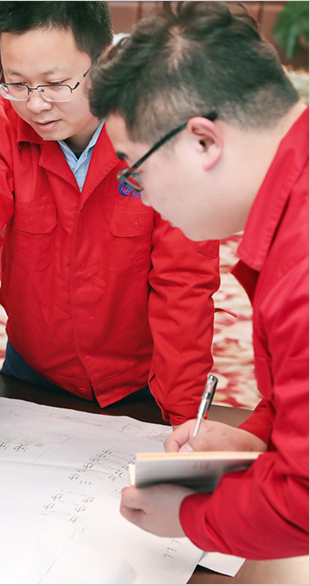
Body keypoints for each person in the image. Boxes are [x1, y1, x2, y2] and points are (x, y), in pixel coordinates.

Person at [0, 1, 221, 441]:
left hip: (144, 380)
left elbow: (184, 281)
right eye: (17, 83)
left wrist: (184, 415)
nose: (36, 104)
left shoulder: (162, 129)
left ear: (104, 61)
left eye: (56, 84)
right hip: (34, 368)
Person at [89, 2, 308, 559]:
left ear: (204, 142)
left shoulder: (301, 272)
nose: (142, 196)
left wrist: (190, 516)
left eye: (135, 169)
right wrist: (259, 434)